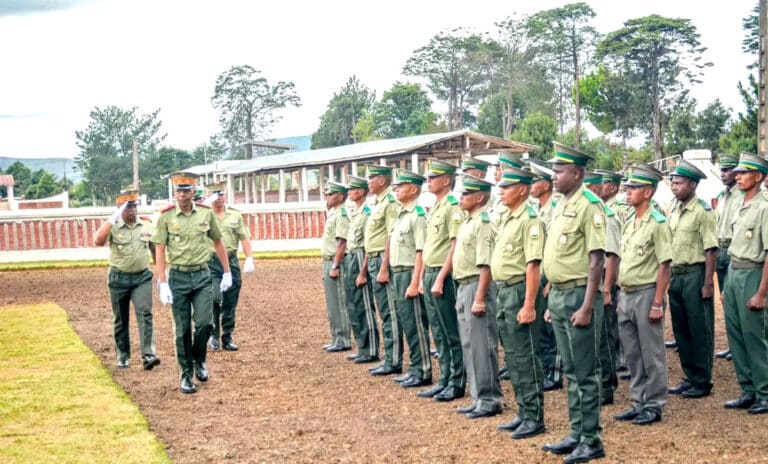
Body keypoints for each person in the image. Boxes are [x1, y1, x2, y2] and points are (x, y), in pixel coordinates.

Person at [540, 143, 605, 463]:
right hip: (560, 295)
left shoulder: (590, 206)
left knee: (585, 371)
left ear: (577, 173)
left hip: (579, 295)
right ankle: (576, 432)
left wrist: (587, 306)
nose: (554, 176)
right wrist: (552, 297)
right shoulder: (561, 204)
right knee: (570, 369)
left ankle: (591, 439)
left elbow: (596, 259)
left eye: (559, 171)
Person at [152, 172, 232, 394]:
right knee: (182, 330)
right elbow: (159, 249)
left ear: (193, 191)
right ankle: (185, 375)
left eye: (186, 190)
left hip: (202, 275)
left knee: (205, 323)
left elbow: (218, 241)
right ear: (174, 192)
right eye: (178, 190)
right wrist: (162, 282)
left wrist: (227, 272)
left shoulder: (205, 213)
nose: (182, 195)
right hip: (178, 277)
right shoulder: (166, 216)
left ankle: (199, 360)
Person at [613, 164, 672, 427]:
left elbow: (664, 265)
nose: (627, 191)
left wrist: (657, 302)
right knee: (633, 353)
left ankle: (654, 403)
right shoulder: (629, 221)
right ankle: (638, 400)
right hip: (627, 294)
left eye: (633, 188)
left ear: (647, 192)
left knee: (652, 353)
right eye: (627, 187)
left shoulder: (658, 223)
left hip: (647, 293)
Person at [491, 167, 547, 439]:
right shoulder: (510, 218)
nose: (501, 191)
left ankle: (535, 417)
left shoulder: (530, 220)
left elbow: (533, 265)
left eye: (507, 187)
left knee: (526, 355)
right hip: (504, 291)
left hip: (519, 291)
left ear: (522, 190)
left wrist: (529, 305)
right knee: (513, 355)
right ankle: (524, 411)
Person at [452, 175, 503, 419]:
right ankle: (478, 397)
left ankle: (489, 398)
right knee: (470, 344)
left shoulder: (483, 223)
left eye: (466, 193)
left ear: (480, 197)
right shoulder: (469, 221)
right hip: (465, 285)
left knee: (482, 345)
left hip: (476, 285)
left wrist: (480, 297)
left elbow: (486, 265)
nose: (461, 198)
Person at [722, 152, 768, 415]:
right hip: (734, 270)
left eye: (743, 172)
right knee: (736, 333)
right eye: (737, 172)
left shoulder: (764, 207)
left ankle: (764, 392)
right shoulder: (740, 203)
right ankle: (748, 389)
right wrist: (727, 284)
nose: (737, 176)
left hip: (753, 272)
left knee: (755, 335)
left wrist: (761, 293)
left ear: (758, 176)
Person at [667, 160, 718, 399]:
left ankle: (702, 379)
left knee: (699, 329)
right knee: (681, 329)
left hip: (695, 275)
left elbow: (711, 250)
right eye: (673, 183)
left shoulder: (702, 212)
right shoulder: (674, 209)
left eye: (679, 183)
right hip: (676, 275)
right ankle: (689, 375)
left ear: (693, 185)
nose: (674, 186)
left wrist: (708, 283)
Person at [94, 189, 160, 371]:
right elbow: (98, 241)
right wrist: (112, 218)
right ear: (120, 208)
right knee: (121, 318)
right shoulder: (112, 226)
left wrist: (162, 275)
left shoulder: (146, 225)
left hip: (142, 277)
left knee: (145, 313)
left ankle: (149, 354)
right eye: (128, 206)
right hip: (119, 278)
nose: (133, 209)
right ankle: (123, 355)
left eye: (134, 205)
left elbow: (155, 250)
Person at [418, 159, 466, 401]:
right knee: (438, 330)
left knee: (450, 331)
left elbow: (454, 246)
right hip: (431, 273)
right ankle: (444, 378)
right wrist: (423, 277)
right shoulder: (437, 206)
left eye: (433, 177)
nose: (428, 181)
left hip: (443, 275)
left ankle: (457, 382)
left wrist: (440, 278)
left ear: (446, 180)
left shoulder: (452, 207)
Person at [389, 169, 432, 388]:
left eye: (401, 186)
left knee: (415, 323)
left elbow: (421, 251)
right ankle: (415, 367)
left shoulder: (418, 215)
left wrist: (416, 282)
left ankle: (423, 369)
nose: (396, 189)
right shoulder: (402, 213)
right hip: (398, 273)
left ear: (413, 189)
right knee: (407, 322)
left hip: (409, 273)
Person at [205, 182, 255, 352]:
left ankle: (227, 335)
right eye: (215, 194)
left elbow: (244, 237)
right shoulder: (204, 215)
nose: (219, 198)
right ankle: (213, 334)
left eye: (221, 194)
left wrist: (249, 258)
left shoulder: (235, 215)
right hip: (212, 262)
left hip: (231, 260)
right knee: (214, 298)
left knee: (230, 299)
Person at [365, 165, 404, 376]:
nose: (368, 181)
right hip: (374, 258)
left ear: (382, 180)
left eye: (372, 177)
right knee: (384, 309)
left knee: (390, 311)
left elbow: (391, 236)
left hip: (382, 258)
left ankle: (394, 359)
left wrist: (384, 267)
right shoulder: (379, 202)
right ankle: (390, 357)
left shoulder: (389, 203)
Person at [527, 160, 563, 392]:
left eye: (535, 181)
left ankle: (555, 373)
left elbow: (555, 249)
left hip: (549, 274)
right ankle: (545, 369)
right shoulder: (537, 209)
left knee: (552, 329)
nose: (531, 186)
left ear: (546, 185)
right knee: (540, 326)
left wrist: (550, 281)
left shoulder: (556, 210)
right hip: (537, 274)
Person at [596, 169, 630, 377]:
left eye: (604, 183)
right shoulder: (600, 209)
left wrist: (615, 278)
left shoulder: (617, 211)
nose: (600, 187)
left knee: (614, 322)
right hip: (601, 271)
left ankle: (619, 359)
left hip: (614, 269)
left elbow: (617, 249)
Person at [343, 175, 380, 364]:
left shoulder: (366, 212)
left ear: (362, 192)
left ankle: (371, 348)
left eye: (353, 190)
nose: (349, 193)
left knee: (364, 304)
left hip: (360, 257)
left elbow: (368, 245)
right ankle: (362, 347)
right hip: (351, 256)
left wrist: (363, 272)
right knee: (353, 304)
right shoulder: (355, 212)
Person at [320, 181, 352, 353]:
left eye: (330, 194)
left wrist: (335, 265)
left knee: (339, 301)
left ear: (340, 197)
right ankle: (336, 337)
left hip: (335, 260)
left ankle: (343, 338)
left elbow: (342, 243)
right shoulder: (334, 213)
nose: (327, 196)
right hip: (328, 260)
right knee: (332, 302)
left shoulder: (342, 214)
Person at [714, 154, 740, 361]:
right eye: (722, 170)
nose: (723, 174)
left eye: (727, 170)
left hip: (734, 250)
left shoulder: (743, 196)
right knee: (727, 303)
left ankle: (741, 347)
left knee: (739, 302)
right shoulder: (722, 196)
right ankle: (733, 345)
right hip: (720, 251)